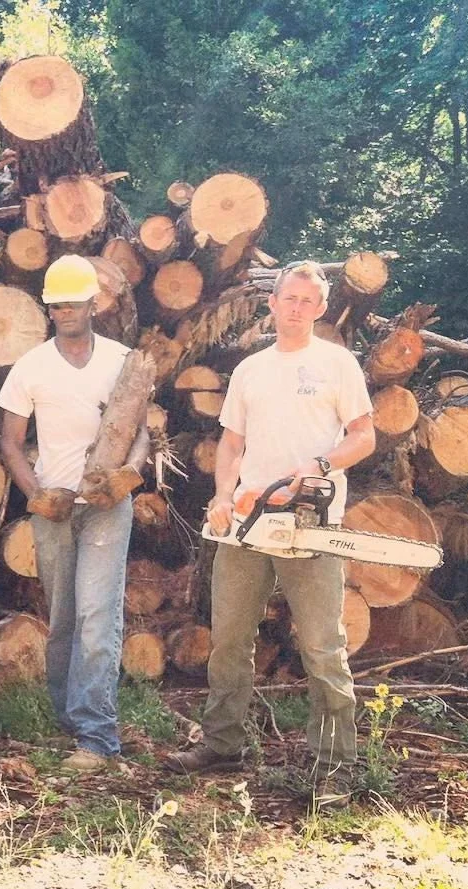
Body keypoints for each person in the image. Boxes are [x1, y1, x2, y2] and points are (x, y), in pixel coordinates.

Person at [167, 260, 375, 812]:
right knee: (230, 637)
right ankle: (222, 743)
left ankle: (334, 766)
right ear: (274, 302)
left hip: (311, 519)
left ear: (321, 309)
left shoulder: (336, 364)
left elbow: (364, 436)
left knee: (323, 647)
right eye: (290, 298)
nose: (298, 308)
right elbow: (231, 444)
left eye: (309, 301)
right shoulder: (251, 370)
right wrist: (220, 494)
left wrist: (319, 465)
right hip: (247, 518)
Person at [0, 255, 149, 773]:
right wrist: (34, 492)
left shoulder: (122, 359)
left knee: (97, 614)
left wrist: (129, 471)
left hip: (106, 505)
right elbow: (11, 443)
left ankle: (97, 735)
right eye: (56, 303)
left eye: (73, 302)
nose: (65, 311)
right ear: (48, 307)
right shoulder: (31, 366)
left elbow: (141, 430)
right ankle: (70, 716)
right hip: (53, 507)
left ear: (93, 303)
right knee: (63, 616)